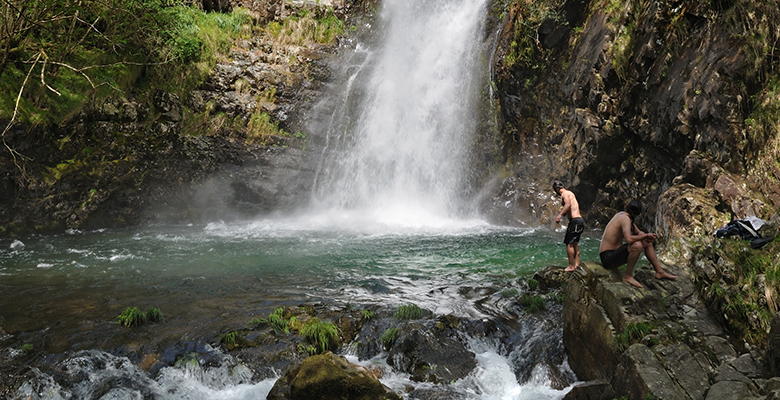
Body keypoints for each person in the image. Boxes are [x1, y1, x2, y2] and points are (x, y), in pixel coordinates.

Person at [599, 200, 677, 288]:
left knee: (647, 242)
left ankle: (659, 272)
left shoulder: (625, 216)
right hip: (607, 258)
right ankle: (628, 276)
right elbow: (628, 239)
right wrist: (646, 235)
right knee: (637, 245)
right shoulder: (625, 219)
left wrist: (647, 236)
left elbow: (639, 232)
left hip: (614, 254)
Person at [553, 181, 585, 272]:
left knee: (569, 243)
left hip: (575, 221)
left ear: (556, 189)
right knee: (575, 243)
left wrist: (560, 215)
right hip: (579, 221)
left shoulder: (564, 194)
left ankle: (571, 266)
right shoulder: (570, 193)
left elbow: (568, 204)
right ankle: (577, 264)